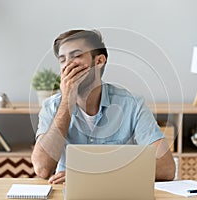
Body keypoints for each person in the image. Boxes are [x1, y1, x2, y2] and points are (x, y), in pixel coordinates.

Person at [31, 29, 176, 184]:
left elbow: (167, 168)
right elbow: (42, 168)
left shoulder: (132, 105)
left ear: (99, 61)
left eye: (76, 56)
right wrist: (67, 100)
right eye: (62, 60)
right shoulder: (51, 107)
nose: (68, 66)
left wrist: (94, 176)